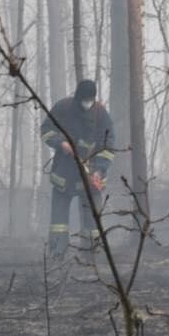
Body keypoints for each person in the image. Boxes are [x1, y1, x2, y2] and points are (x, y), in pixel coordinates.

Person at [41, 78, 116, 258]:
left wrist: (99, 169)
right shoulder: (63, 108)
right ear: (77, 97)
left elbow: (108, 144)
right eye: (84, 99)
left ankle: (91, 257)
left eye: (90, 99)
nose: (87, 103)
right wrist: (61, 143)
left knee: (92, 221)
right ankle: (57, 255)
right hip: (65, 175)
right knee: (58, 223)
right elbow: (45, 130)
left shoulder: (101, 115)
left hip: (90, 177)